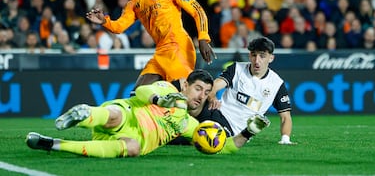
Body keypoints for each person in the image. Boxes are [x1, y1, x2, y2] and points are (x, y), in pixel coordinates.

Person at [25, 69, 270, 158]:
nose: (201, 95)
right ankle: (84, 114)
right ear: (185, 85)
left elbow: (223, 145)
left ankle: (53, 144)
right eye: (197, 88)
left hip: (135, 141)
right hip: (128, 115)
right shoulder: (168, 90)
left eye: (206, 92)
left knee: (132, 148)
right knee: (114, 115)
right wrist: (158, 100)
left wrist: (248, 132)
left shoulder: (187, 123)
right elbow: (143, 90)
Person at [86, 0, 215, 90]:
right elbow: (119, 27)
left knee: (181, 95)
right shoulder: (134, 3)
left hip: (178, 46)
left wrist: (203, 38)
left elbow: (197, 10)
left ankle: (210, 105)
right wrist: (104, 21)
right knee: (138, 93)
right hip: (160, 51)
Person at [208, 36, 296, 145]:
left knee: (207, 139)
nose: (257, 61)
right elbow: (214, 86)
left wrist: (285, 139)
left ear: (271, 58)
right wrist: (212, 97)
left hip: (236, 131)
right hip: (217, 114)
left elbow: (285, 117)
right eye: (254, 55)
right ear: (249, 56)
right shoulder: (237, 69)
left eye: (262, 56)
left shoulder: (276, 84)